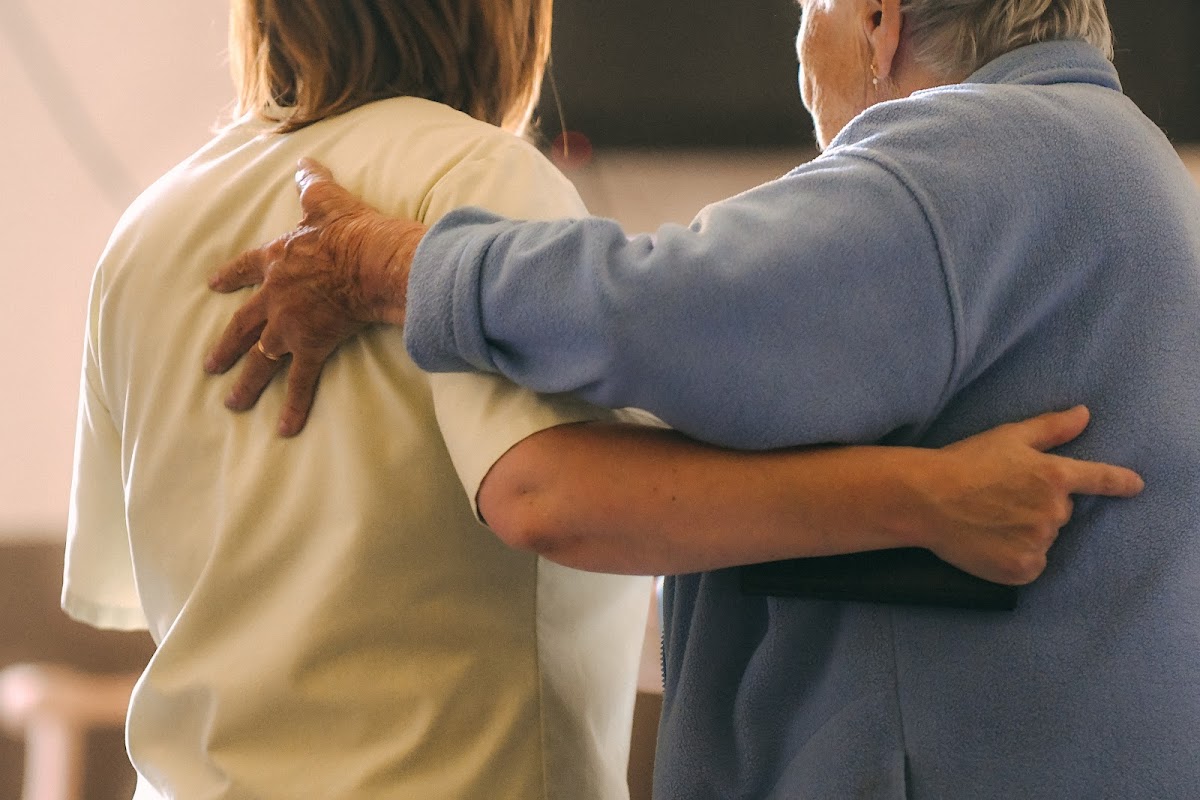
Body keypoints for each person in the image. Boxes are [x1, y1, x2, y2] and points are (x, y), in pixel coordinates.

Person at [63, 1, 1142, 798]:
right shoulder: (474, 176)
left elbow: (146, 591)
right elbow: (545, 495)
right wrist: (924, 498)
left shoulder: (144, 232)